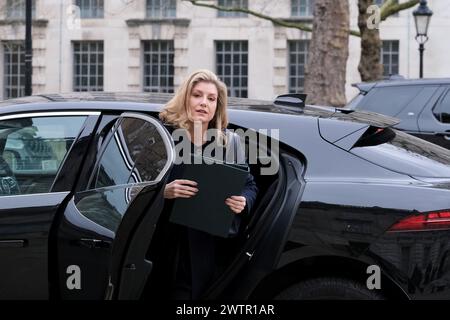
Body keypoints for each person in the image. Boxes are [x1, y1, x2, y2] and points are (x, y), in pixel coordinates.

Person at [154, 69, 258, 300]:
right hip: (163, 241)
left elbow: (249, 186)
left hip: (206, 247)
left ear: (217, 107)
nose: (204, 103)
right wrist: (164, 191)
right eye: (197, 95)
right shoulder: (163, 135)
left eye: (211, 99)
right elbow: (134, 183)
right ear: (185, 98)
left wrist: (243, 201)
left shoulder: (228, 142)